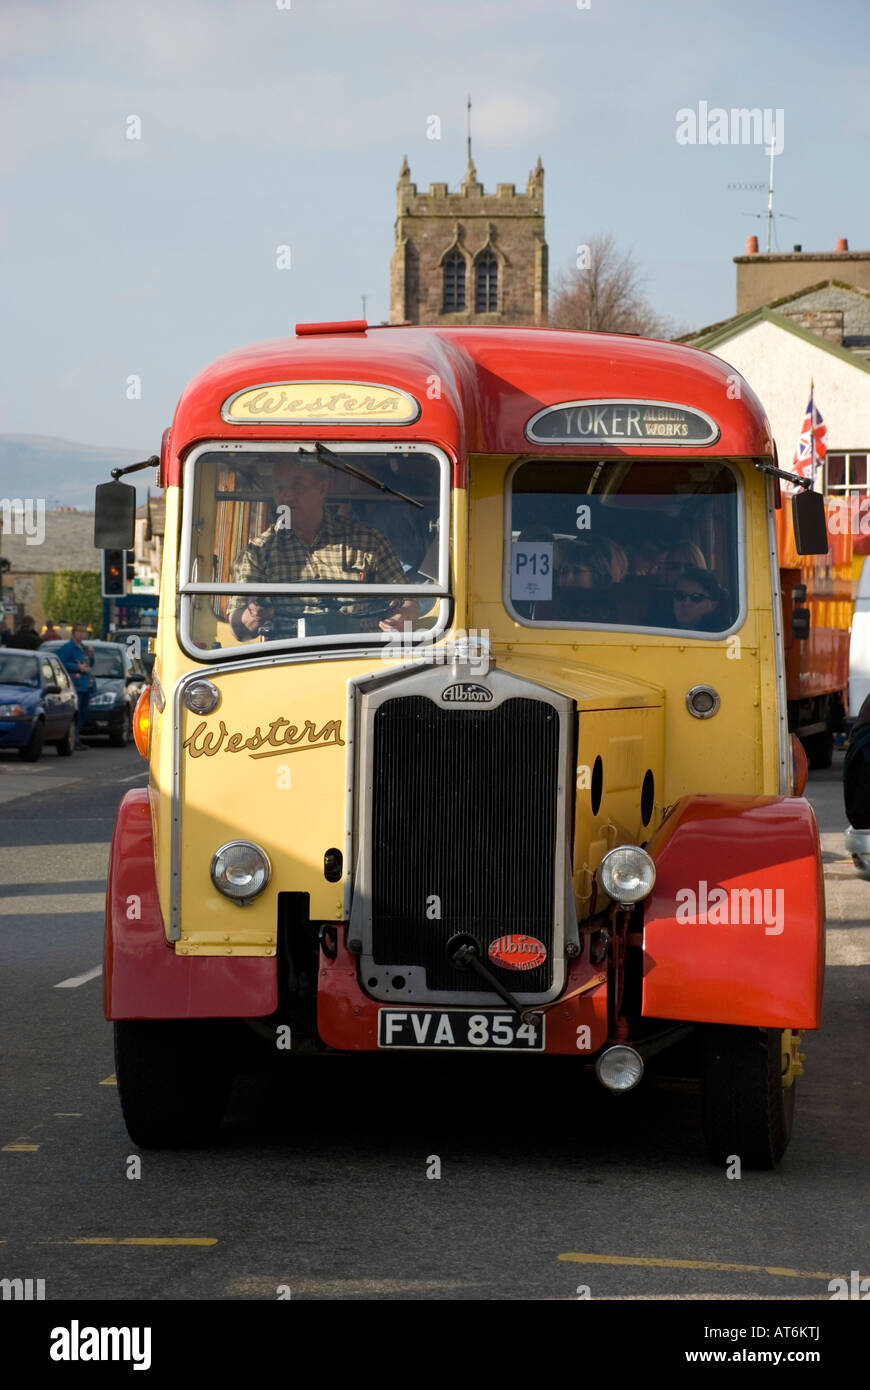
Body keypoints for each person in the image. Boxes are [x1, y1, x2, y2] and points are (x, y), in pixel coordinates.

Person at [227, 456, 418, 640]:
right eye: (280, 488)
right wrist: (250, 617)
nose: (287, 495)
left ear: (322, 488)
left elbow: (408, 601)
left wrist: (403, 618)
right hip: (287, 662)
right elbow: (237, 628)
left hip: (361, 657)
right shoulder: (258, 552)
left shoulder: (367, 541)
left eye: (297, 485)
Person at [55, 622, 95, 749]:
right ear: (73, 633)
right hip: (74, 686)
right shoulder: (68, 648)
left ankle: (77, 738)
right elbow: (61, 663)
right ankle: (72, 739)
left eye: (84, 632)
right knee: (75, 714)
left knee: (83, 714)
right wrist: (77, 667)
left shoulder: (84, 648)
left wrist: (91, 656)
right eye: (79, 631)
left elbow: (90, 664)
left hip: (85, 685)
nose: (82, 634)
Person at [671, 566, 729, 632]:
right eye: (680, 595)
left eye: (696, 597)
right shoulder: (659, 627)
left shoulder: (722, 634)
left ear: (713, 605)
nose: (686, 603)